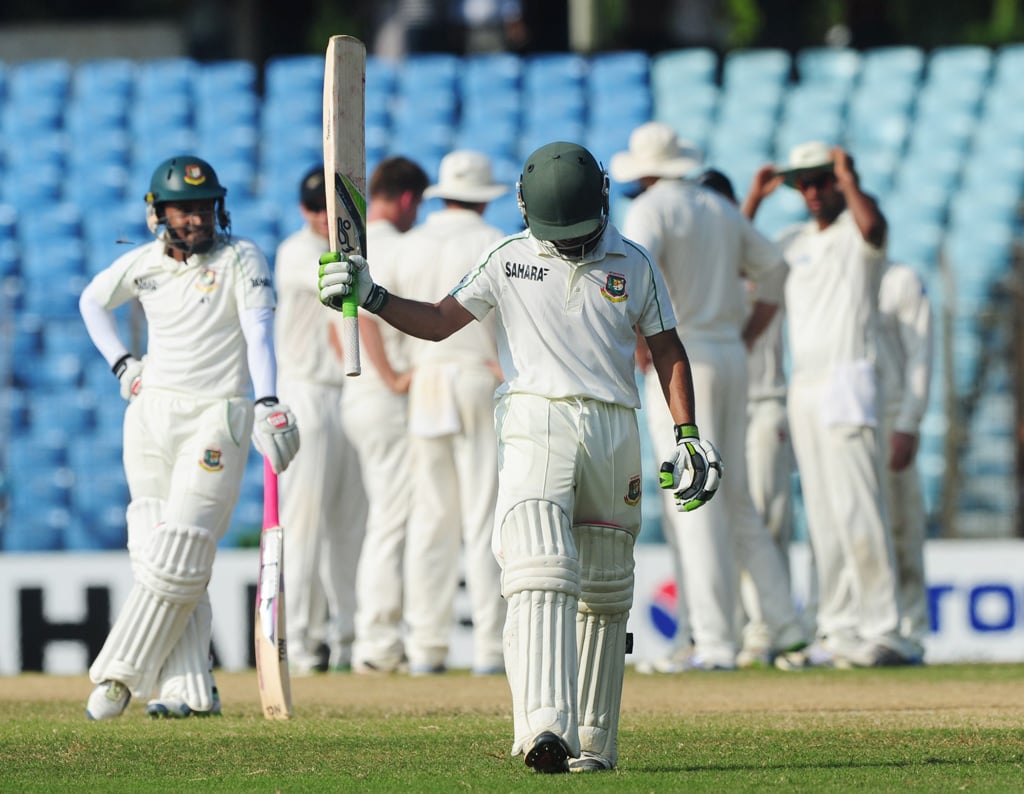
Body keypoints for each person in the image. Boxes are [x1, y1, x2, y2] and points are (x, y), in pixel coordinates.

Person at [318, 141, 721, 773]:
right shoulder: (506, 258)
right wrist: (373, 297)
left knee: (607, 590)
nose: (569, 244)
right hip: (536, 418)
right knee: (540, 567)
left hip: (616, 429)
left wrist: (688, 433)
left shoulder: (635, 262)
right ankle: (543, 729)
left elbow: (669, 350)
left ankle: (593, 742)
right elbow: (437, 319)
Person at [79, 155, 300, 719]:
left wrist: (267, 398)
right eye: (185, 210)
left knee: (183, 547)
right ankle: (188, 690)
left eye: (204, 208)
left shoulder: (241, 257)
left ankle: (118, 676)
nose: (197, 220)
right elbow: (91, 302)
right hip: (150, 415)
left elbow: (259, 334)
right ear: (158, 213)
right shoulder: (144, 263)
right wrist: (122, 363)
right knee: (150, 546)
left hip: (216, 415)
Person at [611, 122, 806, 673]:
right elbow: (775, 268)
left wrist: (645, 343)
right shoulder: (717, 208)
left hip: (681, 359)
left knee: (693, 496)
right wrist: (745, 334)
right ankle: (785, 626)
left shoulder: (651, 208)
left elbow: (633, 278)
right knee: (733, 492)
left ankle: (714, 641)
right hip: (727, 354)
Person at [745, 140, 914, 667]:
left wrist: (848, 177)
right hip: (805, 385)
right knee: (821, 515)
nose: (815, 192)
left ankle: (888, 629)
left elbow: (875, 230)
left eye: (823, 181)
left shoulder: (855, 232)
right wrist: (754, 196)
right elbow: (738, 262)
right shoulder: (791, 239)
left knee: (858, 507)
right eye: (807, 183)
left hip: (848, 375)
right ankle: (838, 629)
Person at [389, 150, 509, 675]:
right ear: (485, 197)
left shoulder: (407, 245)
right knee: (484, 513)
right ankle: (490, 647)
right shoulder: (495, 242)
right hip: (478, 374)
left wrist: (398, 370)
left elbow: (374, 311)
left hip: (426, 377)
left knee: (431, 518)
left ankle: (426, 647)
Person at [699, 167, 799, 666]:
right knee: (730, 513)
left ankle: (774, 631)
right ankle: (748, 629)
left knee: (766, 515)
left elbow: (747, 251)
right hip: (731, 405)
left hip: (765, 401)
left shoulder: (744, 250)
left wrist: (752, 197)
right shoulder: (710, 261)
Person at [273, 165, 367, 674]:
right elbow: (332, 296)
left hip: (349, 392)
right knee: (304, 522)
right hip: (306, 394)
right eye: (313, 209)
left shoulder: (349, 252)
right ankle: (303, 642)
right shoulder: (293, 253)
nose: (318, 218)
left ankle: (350, 636)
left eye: (325, 210)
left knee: (352, 523)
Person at [345, 156, 429, 675]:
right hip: (384, 396)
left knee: (384, 517)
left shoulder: (354, 246)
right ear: (405, 199)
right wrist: (393, 377)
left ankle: (378, 638)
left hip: (359, 397)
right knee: (392, 519)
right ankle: (376, 643)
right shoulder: (393, 246)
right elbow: (362, 318)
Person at [877, 261, 933, 663]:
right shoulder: (820, 266)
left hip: (890, 415)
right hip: (841, 415)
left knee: (901, 527)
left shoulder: (900, 279)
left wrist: (909, 421)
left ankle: (911, 632)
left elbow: (920, 353)